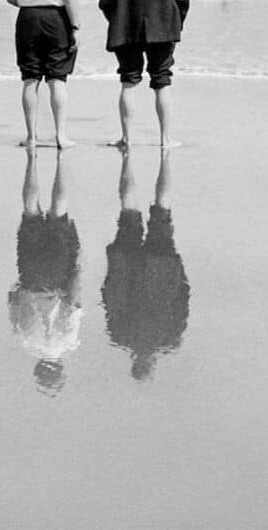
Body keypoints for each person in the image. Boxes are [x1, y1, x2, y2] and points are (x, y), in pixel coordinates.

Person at [98, 0, 189, 149]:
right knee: (162, 81)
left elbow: (106, 0)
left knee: (128, 81)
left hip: (126, 28)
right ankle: (165, 139)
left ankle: (126, 138)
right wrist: (175, 23)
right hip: (162, 27)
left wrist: (117, 19)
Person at [101, 150, 189, 381]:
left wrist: (178, 271)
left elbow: (183, 297)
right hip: (140, 265)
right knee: (131, 211)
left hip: (159, 266)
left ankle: (140, 155)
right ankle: (160, 154)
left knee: (161, 210)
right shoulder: (125, 336)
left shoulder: (167, 337)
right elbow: (108, 294)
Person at [5, 0, 81, 149]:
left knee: (30, 78)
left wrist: (31, 1)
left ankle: (31, 137)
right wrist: (76, 26)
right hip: (56, 16)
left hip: (28, 16)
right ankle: (60, 135)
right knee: (57, 79)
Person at [8, 149, 81, 395]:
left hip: (55, 278)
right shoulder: (25, 341)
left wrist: (77, 264)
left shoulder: (66, 342)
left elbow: (74, 299)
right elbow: (12, 298)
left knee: (58, 215)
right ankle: (34, 161)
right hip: (31, 274)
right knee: (31, 210)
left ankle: (51, 161)